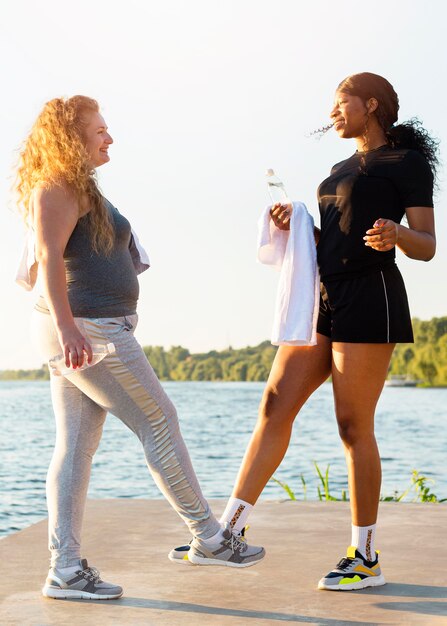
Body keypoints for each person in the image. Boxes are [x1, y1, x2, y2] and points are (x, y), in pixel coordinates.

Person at [169, 73, 437, 590]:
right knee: (274, 404)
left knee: (352, 425)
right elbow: (332, 239)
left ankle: (365, 557)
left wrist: (397, 233)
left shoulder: (407, 163)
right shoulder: (340, 167)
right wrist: (299, 227)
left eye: (341, 104)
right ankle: (226, 534)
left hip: (371, 296)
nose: (333, 114)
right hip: (324, 296)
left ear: (371, 104)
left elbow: (426, 243)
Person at [15, 96, 265, 600]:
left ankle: (65, 571)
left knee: (77, 447)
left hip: (86, 328)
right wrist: (69, 331)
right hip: (89, 330)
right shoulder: (57, 186)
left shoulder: (79, 186)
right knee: (159, 420)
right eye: (100, 130)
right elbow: (48, 258)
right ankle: (209, 538)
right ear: (71, 136)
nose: (109, 138)